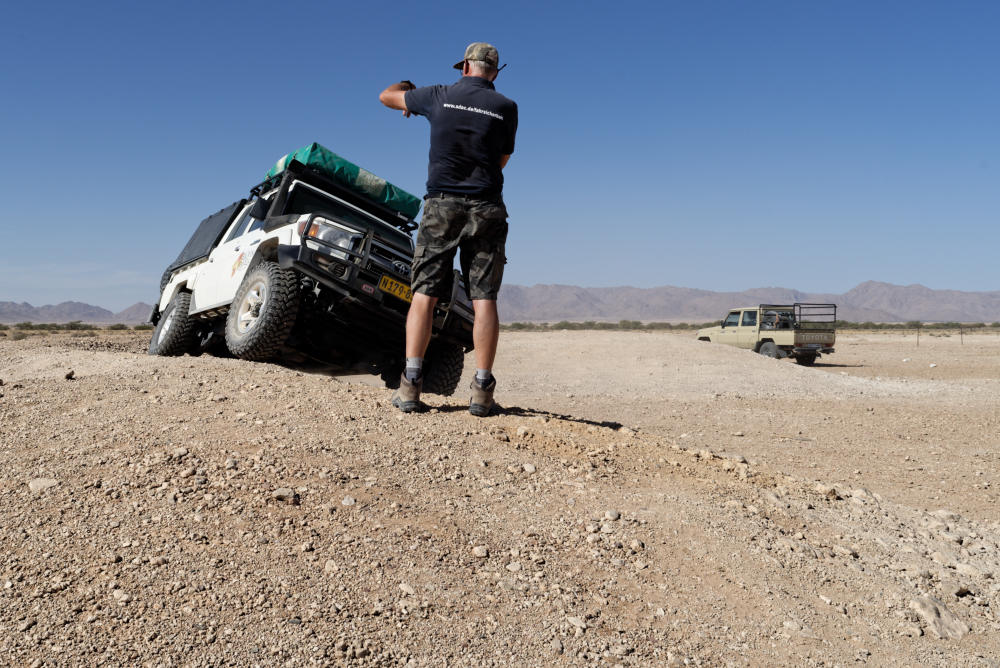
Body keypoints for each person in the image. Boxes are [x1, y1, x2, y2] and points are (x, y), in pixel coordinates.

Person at [379, 42, 518, 417]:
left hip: (441, 204)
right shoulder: (506, 108)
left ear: (465, 68)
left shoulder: (439, 95)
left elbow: (386, 97)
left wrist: (406, 88)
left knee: (424, 294)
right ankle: (482, 390)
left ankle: (410, 385)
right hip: (487, 207)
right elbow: (501, 160)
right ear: (495, 71)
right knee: (484, 298)